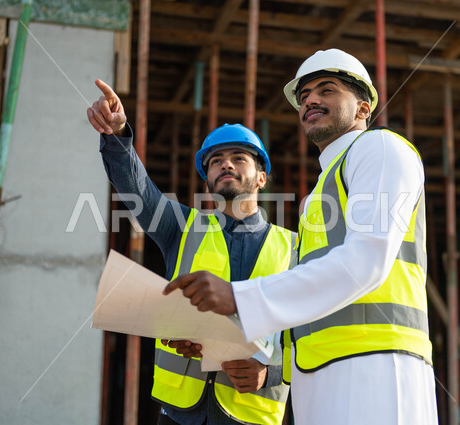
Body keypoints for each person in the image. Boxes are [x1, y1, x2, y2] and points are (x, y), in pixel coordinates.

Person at [164, 49, 438, 424]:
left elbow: (365, 262)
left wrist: (238, 298)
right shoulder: (320, 193)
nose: (310, 99)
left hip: (377, 365)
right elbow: (308, 294)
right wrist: (219, 339)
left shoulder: (380, 148)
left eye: (327, 90)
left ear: (362, 109)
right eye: (304, 95)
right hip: (318, 374)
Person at [87, 79, 296, 425]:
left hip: (252, 412)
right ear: (208, 179)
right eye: (216, 161)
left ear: (261, 177)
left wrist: (270, 374)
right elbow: (136, 188)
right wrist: (117, 135)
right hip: (180, 413)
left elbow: (310, 333)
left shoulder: (294, 247)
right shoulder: (182, 227)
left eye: (238, 158)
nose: (226, 165)